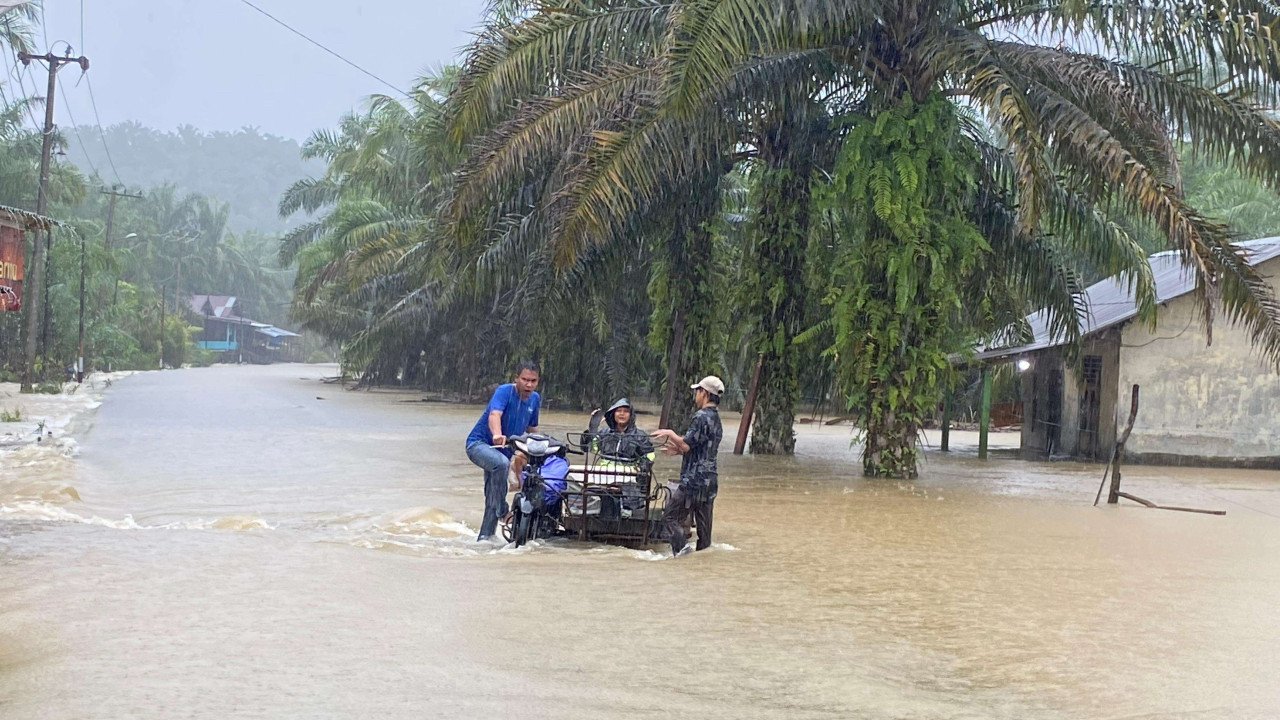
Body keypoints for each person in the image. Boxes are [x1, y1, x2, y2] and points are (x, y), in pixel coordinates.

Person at [465, 361, 541, 541]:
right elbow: (494, 415)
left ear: (538, 381)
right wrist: (497, 434)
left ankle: (485, 539)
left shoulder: (535, 399)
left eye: (533, 380)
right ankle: (503, 511)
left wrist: (545, 444)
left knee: (492, 494)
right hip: (480, 445)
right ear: (516, 379)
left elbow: (532, 429)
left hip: (503, 453)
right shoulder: (504, 391)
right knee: (501, 464)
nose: (529, 384)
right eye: (524, 379)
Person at [651, 375, 724, 556]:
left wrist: (670, 433)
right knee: (704, 530)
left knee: (669, 517)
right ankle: (702, 561)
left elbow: (686, 444)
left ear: (705, 393)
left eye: (697, 391)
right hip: (710, 480)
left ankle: (682, 551)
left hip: (693, 479)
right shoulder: (717, 419)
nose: (695, 395)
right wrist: (679, 450)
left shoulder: (700, 417)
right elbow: (701, 447)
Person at [583, 397, 655, 464]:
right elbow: (589, 448)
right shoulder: (604, 434)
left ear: (631, 415)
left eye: (626, 411)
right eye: (618, 411)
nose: (622, 414)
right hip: (604, 474)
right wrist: (592, 429)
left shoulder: (640, 436)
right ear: (613, 414)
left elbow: (650, 455)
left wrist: (644, 465)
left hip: (629, 475)